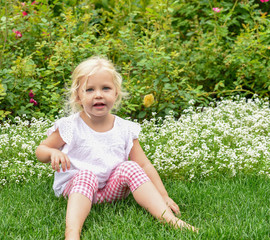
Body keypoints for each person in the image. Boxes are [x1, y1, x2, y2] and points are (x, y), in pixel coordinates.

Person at [36, 56, 197, 239]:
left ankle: (169, 219)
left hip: (109, 190)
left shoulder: (124, 128)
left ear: (116, 93)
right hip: (76, 191)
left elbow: (144, 165)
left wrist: (163, 195)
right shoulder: (71, 126)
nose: (98, 94)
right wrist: (52, 152)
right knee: (85, 175)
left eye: (106, 88)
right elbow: (40, 150)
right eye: (90, 89)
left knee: (130, 167)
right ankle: (72, 232)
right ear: (78, 96)